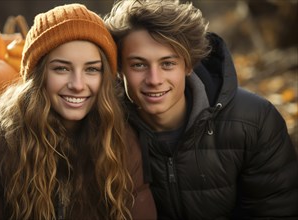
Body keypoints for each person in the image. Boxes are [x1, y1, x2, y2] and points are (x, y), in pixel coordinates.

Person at [0, 3, 156, 220]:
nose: (77, 84)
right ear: (38, 76)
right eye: (61, 68)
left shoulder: (120, 139)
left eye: (91, 69)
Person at [104, 0, 298, 219]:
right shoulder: (105, 131)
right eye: (138, 64)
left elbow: (277, 212)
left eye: (167, 63)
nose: (154, 80)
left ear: (188, 65)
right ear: (119, 69)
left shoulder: (254, 121)